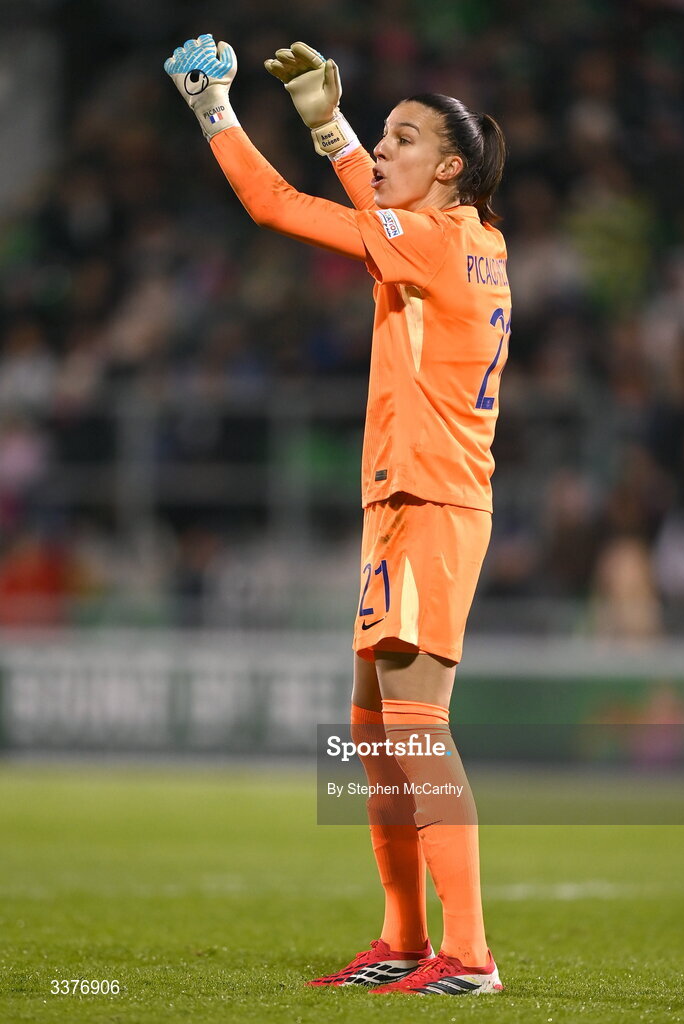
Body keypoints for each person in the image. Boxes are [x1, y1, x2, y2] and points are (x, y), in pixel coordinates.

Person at [165, 35, 509, 996]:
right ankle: (403, 937)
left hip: (432, 503)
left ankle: (470, 954)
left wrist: (212, 104)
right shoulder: (466, 240)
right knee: (375, 731)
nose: (382, 152)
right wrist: (328, 119)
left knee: (416, 732)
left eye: (402, 139)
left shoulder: (435, 243)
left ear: (449, 168)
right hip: (403, 501)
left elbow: (274, 205)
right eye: (381, 136)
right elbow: (376, 203)